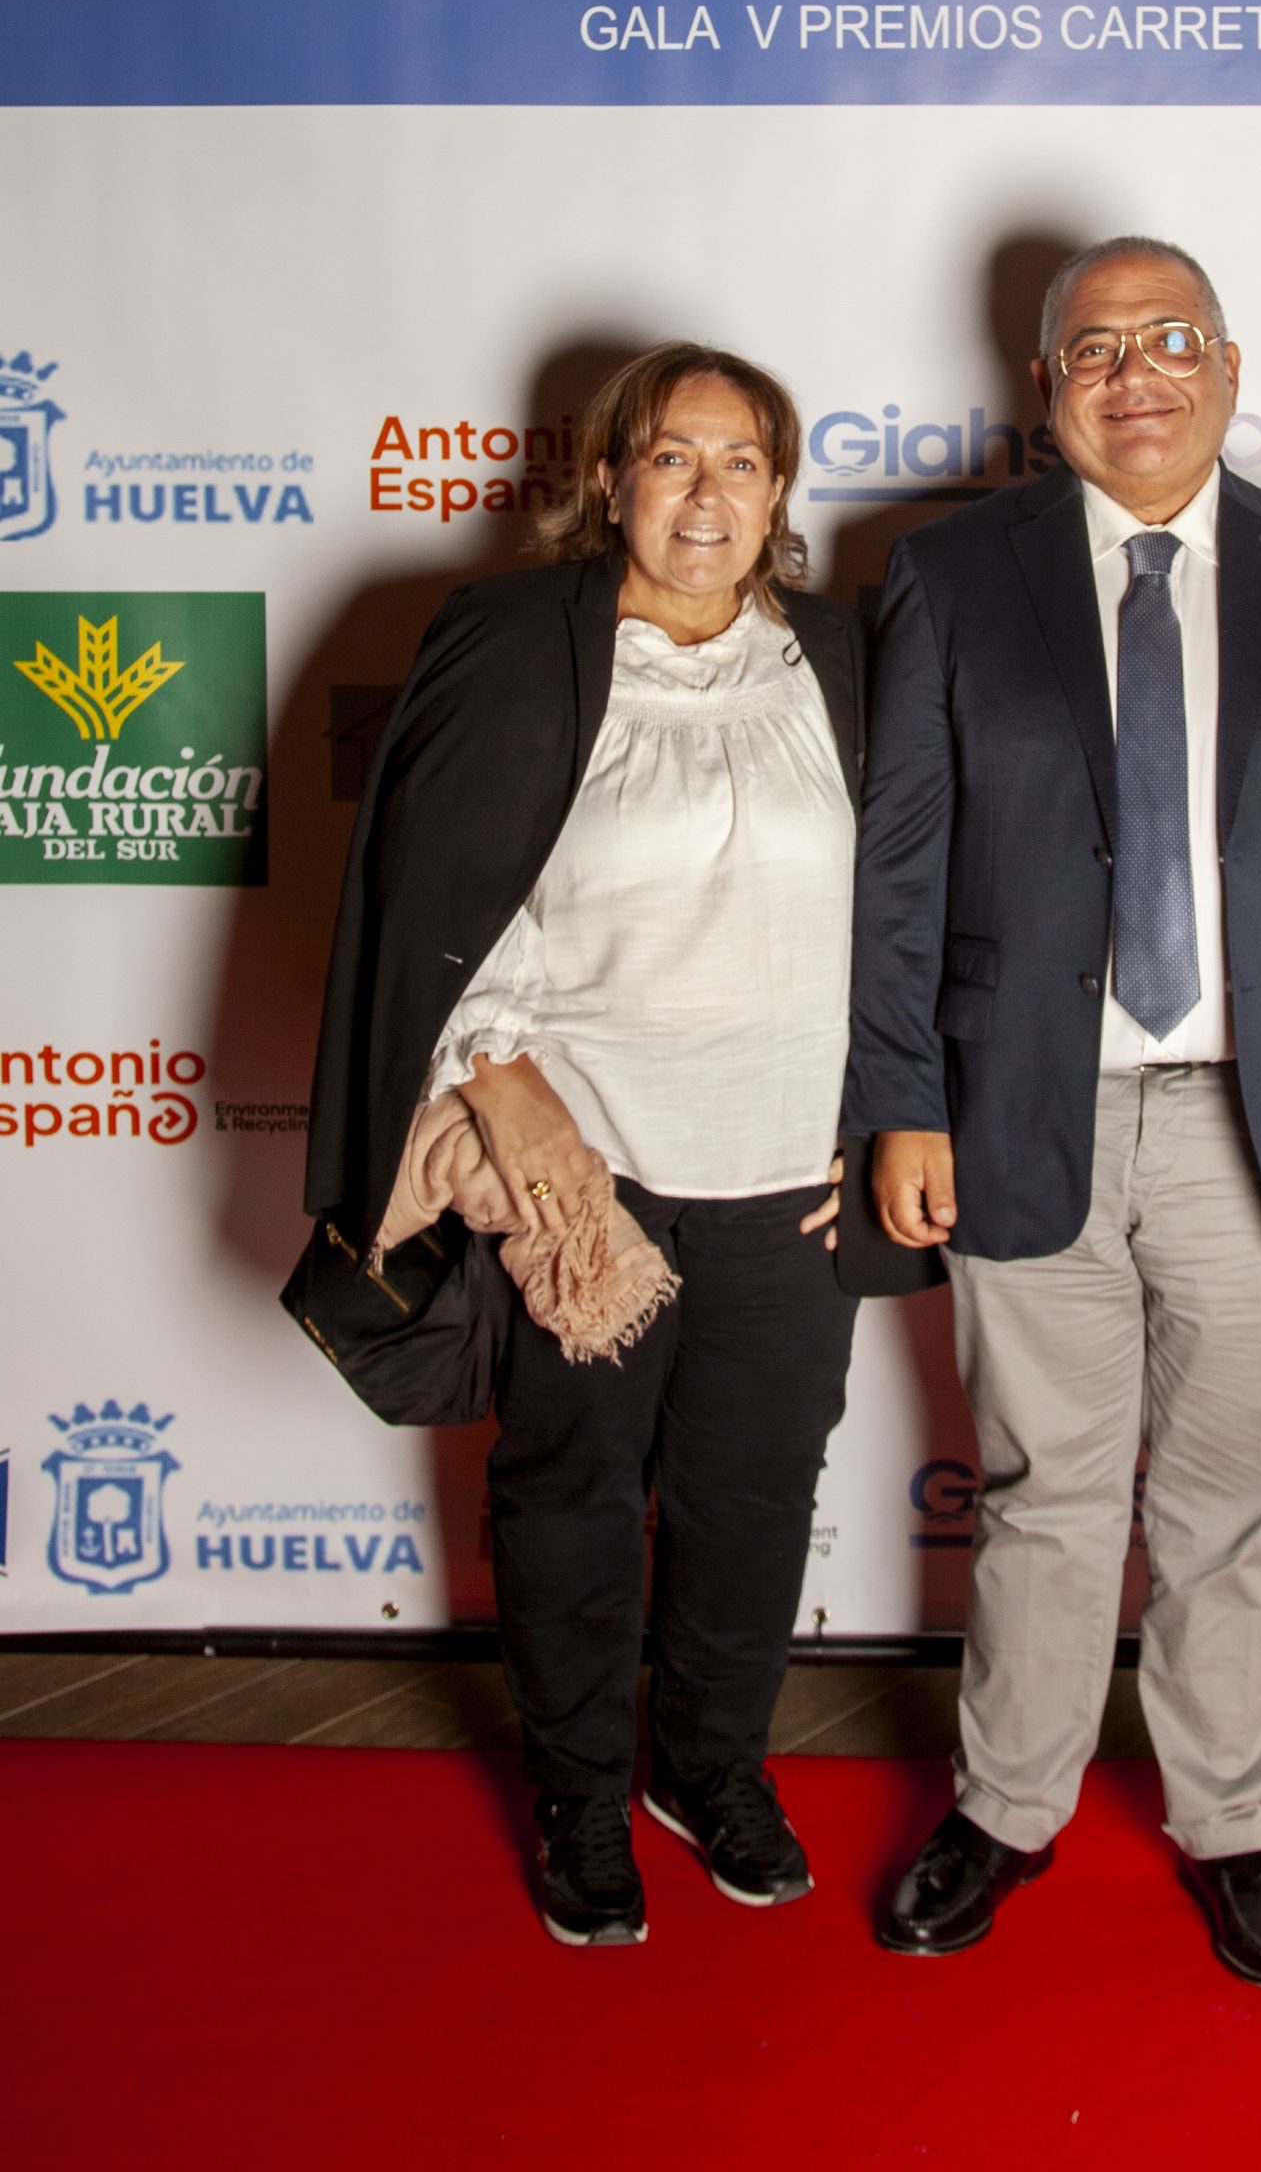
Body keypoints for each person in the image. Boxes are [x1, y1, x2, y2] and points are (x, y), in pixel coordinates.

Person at [847, 238, 1261, 1984]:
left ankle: (1233, 1822)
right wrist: (899, 1098)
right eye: (1095, 349)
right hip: (1012, 1107)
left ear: (1228, 366)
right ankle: (1005, 1811)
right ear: (1045, 388)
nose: (1135, 374)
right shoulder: (947, 574)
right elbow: (899, 869)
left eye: (1170, 339)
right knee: (1042, 1495)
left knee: (1231, 1504)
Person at [305, 341, 872, 1949]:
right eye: (671, 456)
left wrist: (897, 1100)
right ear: (612, 477)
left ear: (778, 489)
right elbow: (435, 890)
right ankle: (575, 1795)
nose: (704, 493)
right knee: (567, 1492)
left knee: (753, 1496)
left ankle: (710, 1767)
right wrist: (502, 1091)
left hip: (791, 1173)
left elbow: (919, 895)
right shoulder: (513, 639)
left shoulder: (842, 653)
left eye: (740, 461)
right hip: (587, 1166)